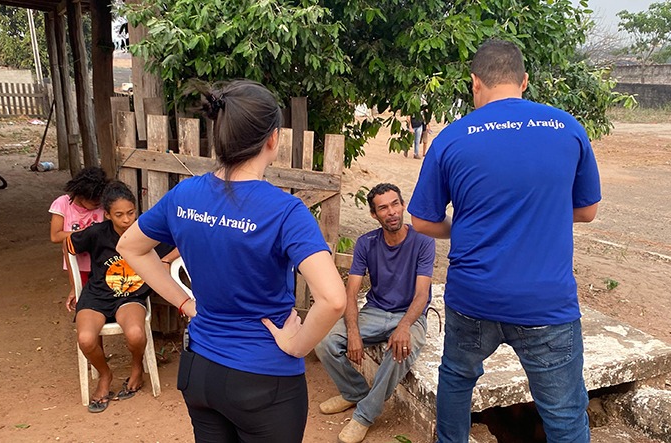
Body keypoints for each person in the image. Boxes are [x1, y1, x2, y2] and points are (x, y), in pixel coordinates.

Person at [116, 80, 347, 443]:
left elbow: (130, 246)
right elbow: (334, 299)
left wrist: (184, 302)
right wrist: (298, 345)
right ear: (273, 138)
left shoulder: (185, 194)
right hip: (264, 380)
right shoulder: (285, 212)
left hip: (200, 373)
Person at [407, 39, 601, 443]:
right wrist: (541, 213)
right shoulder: (567, 128)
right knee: (564, 413)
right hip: (546, 302)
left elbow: (422, 222)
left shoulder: (451, 138)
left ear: (475, 82)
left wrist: (460, 227)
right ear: (524, 81)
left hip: (474, 297)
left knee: (457, 381)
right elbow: (586, 211)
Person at [315, 183, 435, 443]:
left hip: (410, 315)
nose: (391, 212)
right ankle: (354, 391)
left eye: (395, 204)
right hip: (376, 310)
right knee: (325, 341)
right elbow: (351, 290)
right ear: (374, 214)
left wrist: (404, 327)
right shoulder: (366, 242)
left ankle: (365, 416)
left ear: (403, 205)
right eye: (383, 207)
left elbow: (422, 294)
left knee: (400, 351)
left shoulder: (423, 241)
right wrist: (354, 331)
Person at [64, 180, 175, 413]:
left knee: (135, 334)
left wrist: (165, 260)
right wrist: (75, 285)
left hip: (130, 297)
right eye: (119, 215)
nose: (127, 220)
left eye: (131, 213)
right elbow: (68, 244)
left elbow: (181, 242)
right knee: (85, 339)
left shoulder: (148, 232)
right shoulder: (97, 234)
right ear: (107, 215)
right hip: (96, 296)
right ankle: (105, 376)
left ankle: (137, 369)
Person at [50, 167, 108, 290]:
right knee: (81, 293)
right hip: (77, 263)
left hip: (100, 263)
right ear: (81, 196)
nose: (98, 205)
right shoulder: (63, 204)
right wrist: (86, 233)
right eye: (94, 203)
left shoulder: (101, 206)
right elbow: (55, 236)